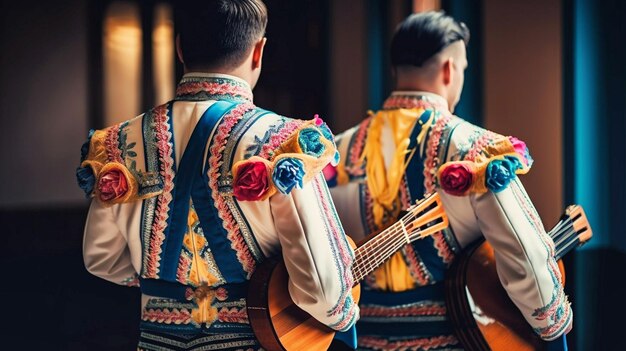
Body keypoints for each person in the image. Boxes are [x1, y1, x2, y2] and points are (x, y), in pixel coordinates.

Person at [76, 0, 358, 349]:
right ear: (259, 51)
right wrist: (343, 314)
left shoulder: (118, 144)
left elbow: (101, 259)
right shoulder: (284, 143)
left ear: (179, 47)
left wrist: (165, 289)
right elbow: (321, 285)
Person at [325, 11, 571, 351]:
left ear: (397, 69)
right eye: (464, 69)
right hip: (450, 340)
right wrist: (552, 324)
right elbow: (525, 259)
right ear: (449, 70)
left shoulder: (334, 151)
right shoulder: (475, 149)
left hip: (360, 339)